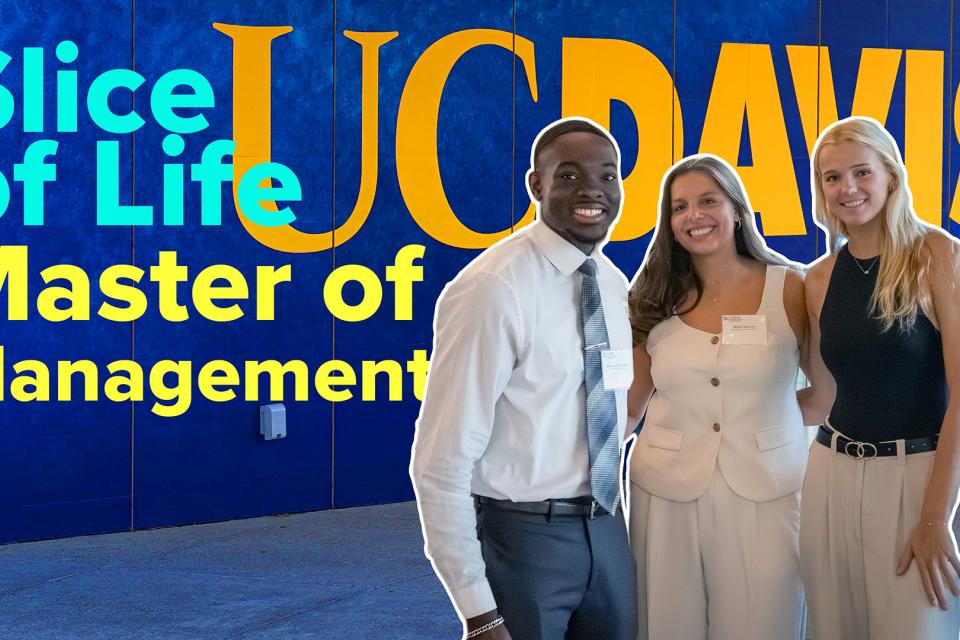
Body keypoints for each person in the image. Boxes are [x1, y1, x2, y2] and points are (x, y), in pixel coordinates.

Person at [410, 117, 637, 640]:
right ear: (536, 185)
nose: (592, 192)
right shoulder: (493, 288)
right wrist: (478, 610)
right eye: (569, 176)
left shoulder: (610, 282)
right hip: (523, 540)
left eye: (607, 176)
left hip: (607, 530)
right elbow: (441, 459)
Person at [626, 154, 808, 639]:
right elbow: (630, 404)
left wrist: (775, 421)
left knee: (766, 623)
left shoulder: (790, 286)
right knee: (666, 626)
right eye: (679, 206)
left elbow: (827, 393)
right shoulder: (651, 295)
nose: (694, 215)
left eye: (708, 200)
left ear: (737, 209)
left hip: (767, 488)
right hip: (664, 492)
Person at [799, 115, 960, 639]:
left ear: (891, 176)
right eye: (831, 177)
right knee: (834, 630)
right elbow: (821, 397)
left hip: (918, 478)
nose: (847, 188)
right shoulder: (819, 278)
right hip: (830, 475)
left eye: (861, 173)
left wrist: (936, 516)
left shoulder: (934, 254)